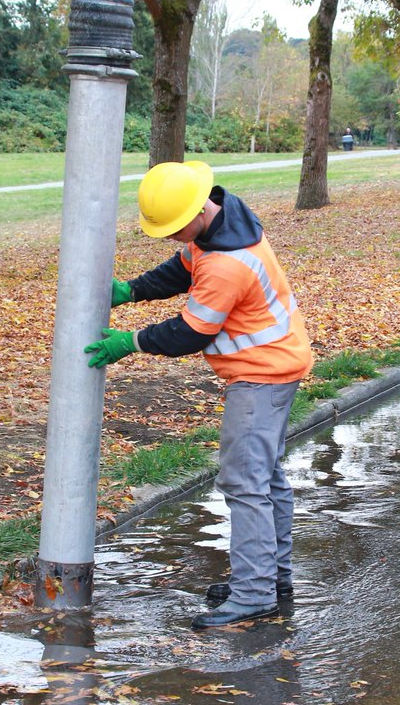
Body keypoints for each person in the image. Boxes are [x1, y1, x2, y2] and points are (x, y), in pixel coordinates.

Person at [84, 160, 313, 629]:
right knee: (265, 477)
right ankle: (272, 578)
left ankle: (254, 595)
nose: (171, 237)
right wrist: (132, 290)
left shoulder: (229, 263)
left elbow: (192, 331)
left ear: (198, 209)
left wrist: (132, 341)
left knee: (243, 483)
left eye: (174, 228)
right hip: (276, 366)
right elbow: (182, 269)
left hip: (261, 376)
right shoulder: (221, 227)